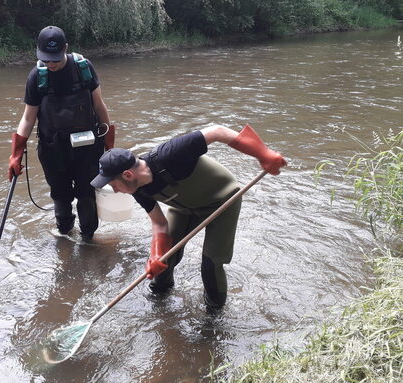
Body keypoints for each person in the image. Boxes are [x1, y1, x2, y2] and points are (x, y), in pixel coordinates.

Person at [90, 125, 286, 308]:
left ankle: (214, 314)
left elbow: (218, 132)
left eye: (114, 184)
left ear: (127, 175)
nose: (114, 191)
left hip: (223, 201)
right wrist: (156, 255)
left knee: (210, 265)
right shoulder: (137, 189)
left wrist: (263, 154)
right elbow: (159, 223)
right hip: (185, 209)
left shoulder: (169, 154)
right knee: (163, 263)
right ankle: (160, 298)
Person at [8, 26, 115, 239]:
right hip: (52, 149)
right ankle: (65, 234)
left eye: (55, 59)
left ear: (66, 48)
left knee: (87, 194)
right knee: (60, 195)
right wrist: (16, 154)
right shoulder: (37, 77)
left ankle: (88, 239)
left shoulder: (84, 69)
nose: (51, 64)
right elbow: (28, 118)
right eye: (46, 59)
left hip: (86, 148)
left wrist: (109, 145)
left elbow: (99, 106)